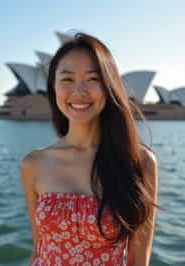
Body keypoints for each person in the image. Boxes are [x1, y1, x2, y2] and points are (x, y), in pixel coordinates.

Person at [20, 32, 158, 266]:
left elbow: (138, 260)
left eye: (93, 79)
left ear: (108, 86)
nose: (79, 91)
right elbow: (39, 246)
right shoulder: (33, 164)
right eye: (67, 79)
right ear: (53, 88)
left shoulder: (139, 162)